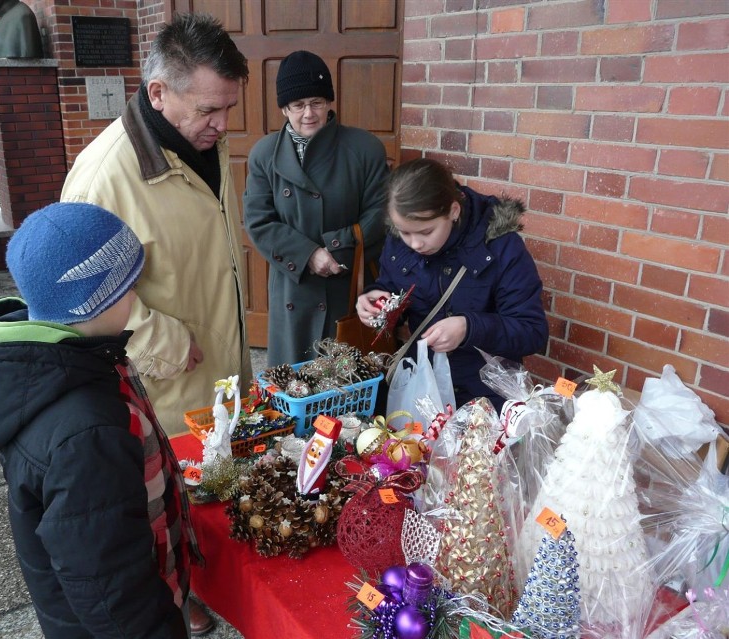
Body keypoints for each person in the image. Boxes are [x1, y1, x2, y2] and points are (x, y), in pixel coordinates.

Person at [0, 202, 202, 638]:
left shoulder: (58, 365)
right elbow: (107, 577)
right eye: (129, 287)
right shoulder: (89, 429)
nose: (136, 298)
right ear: (95, 300)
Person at [61, 14, 252, 439]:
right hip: (165, 402)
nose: (224, 124)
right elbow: (77, 299)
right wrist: (165, 346)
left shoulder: (203, 141)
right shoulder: (101, 179)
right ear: (158, 93)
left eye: (229, 108)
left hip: (223, 385)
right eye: (209, 110)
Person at [356, 158, 549, 411]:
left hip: (484, 399)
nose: (415, 244)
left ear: (453, 211)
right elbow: (391, 286)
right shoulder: (398, 240)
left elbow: (532, 331)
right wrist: (375, 301)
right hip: (422, 391)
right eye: (405, 232)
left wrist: (469, 328)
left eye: (426, 232)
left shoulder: (502, 246)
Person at [244, 50, 389, 366]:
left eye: (317, 103)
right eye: (297, 105)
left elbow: (381, 212)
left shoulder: (364, 149)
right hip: (293, 288)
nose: (308, 113)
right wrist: (308, 254)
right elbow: (257, 220)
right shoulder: (264, 155)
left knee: (347, 391)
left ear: (329, 103)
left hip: (346, 287)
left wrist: (337, 248)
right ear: (284, 108)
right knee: (294, 386)